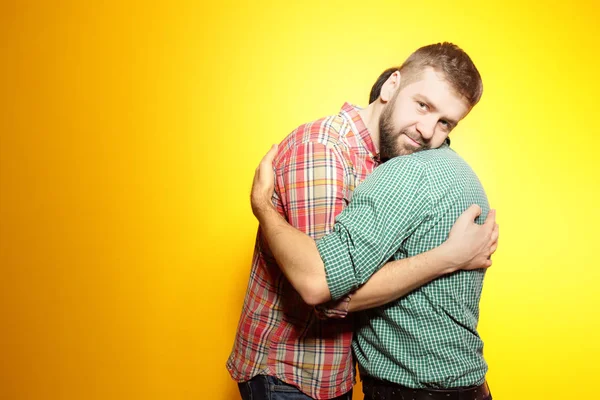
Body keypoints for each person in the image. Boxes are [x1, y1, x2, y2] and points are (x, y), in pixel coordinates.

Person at [228, 43, 498, 400]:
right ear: (391, 87)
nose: (428, 131)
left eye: (445, 121)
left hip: (335, 372)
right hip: (289, 373)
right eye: (423, 105)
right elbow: (320, 288)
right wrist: (449, 258)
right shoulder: (324, 151)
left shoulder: (394, 162)